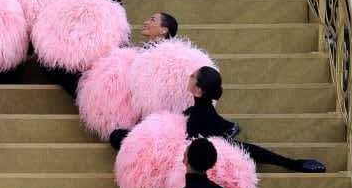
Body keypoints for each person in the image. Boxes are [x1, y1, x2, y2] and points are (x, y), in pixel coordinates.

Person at [111, 66, 326, 173]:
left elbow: (183, 143)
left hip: (200, 150)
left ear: (198, 90)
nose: (188, 77)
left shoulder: (198, 114)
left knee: (119, 137)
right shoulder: (199, 110)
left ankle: (295, 164)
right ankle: (293, 164)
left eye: (192, 77)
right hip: (208, 135)